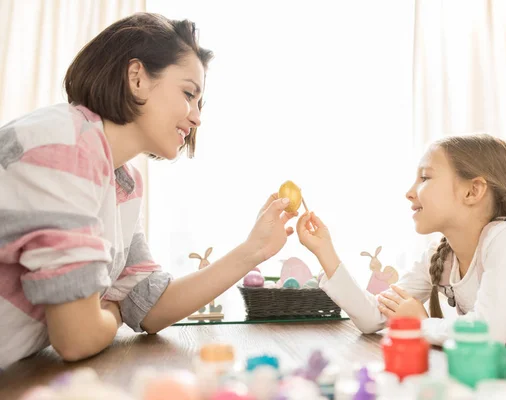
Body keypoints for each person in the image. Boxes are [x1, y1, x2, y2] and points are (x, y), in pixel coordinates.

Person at [0, 12, 297, 369]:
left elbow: (148, 305)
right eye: (189, 93)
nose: (197, 116)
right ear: (137, 78)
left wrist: (253, 250)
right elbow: (76, 339)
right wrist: (109, 314)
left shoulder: (121, 182)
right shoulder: (64, 145)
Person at [297, 134, 506, 353]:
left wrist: (419, 324)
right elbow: (376, 318)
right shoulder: (441, 255)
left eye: (425, 177)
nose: (410, 192)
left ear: (473, 191)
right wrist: (325, 251)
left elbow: (488, 335)